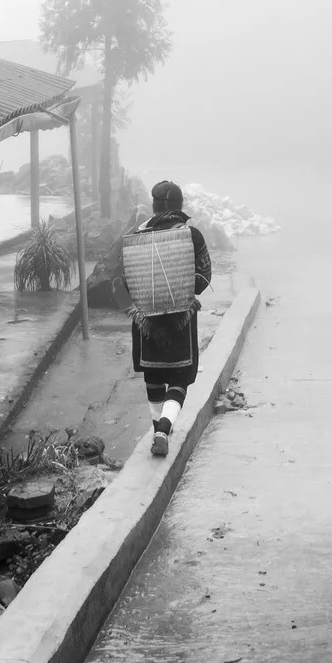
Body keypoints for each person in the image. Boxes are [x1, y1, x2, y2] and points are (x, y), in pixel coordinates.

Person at [114, 180, 211, 457]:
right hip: (180, 321)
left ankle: (159, 430)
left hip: (146, 324)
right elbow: (203, 277)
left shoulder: (136, 237)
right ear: (180, 206)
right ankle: (163, 429)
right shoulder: (192, 236)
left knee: (154, 378)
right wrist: (181, 293)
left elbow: (127, 281)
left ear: (154, 206)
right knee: (181, 377)